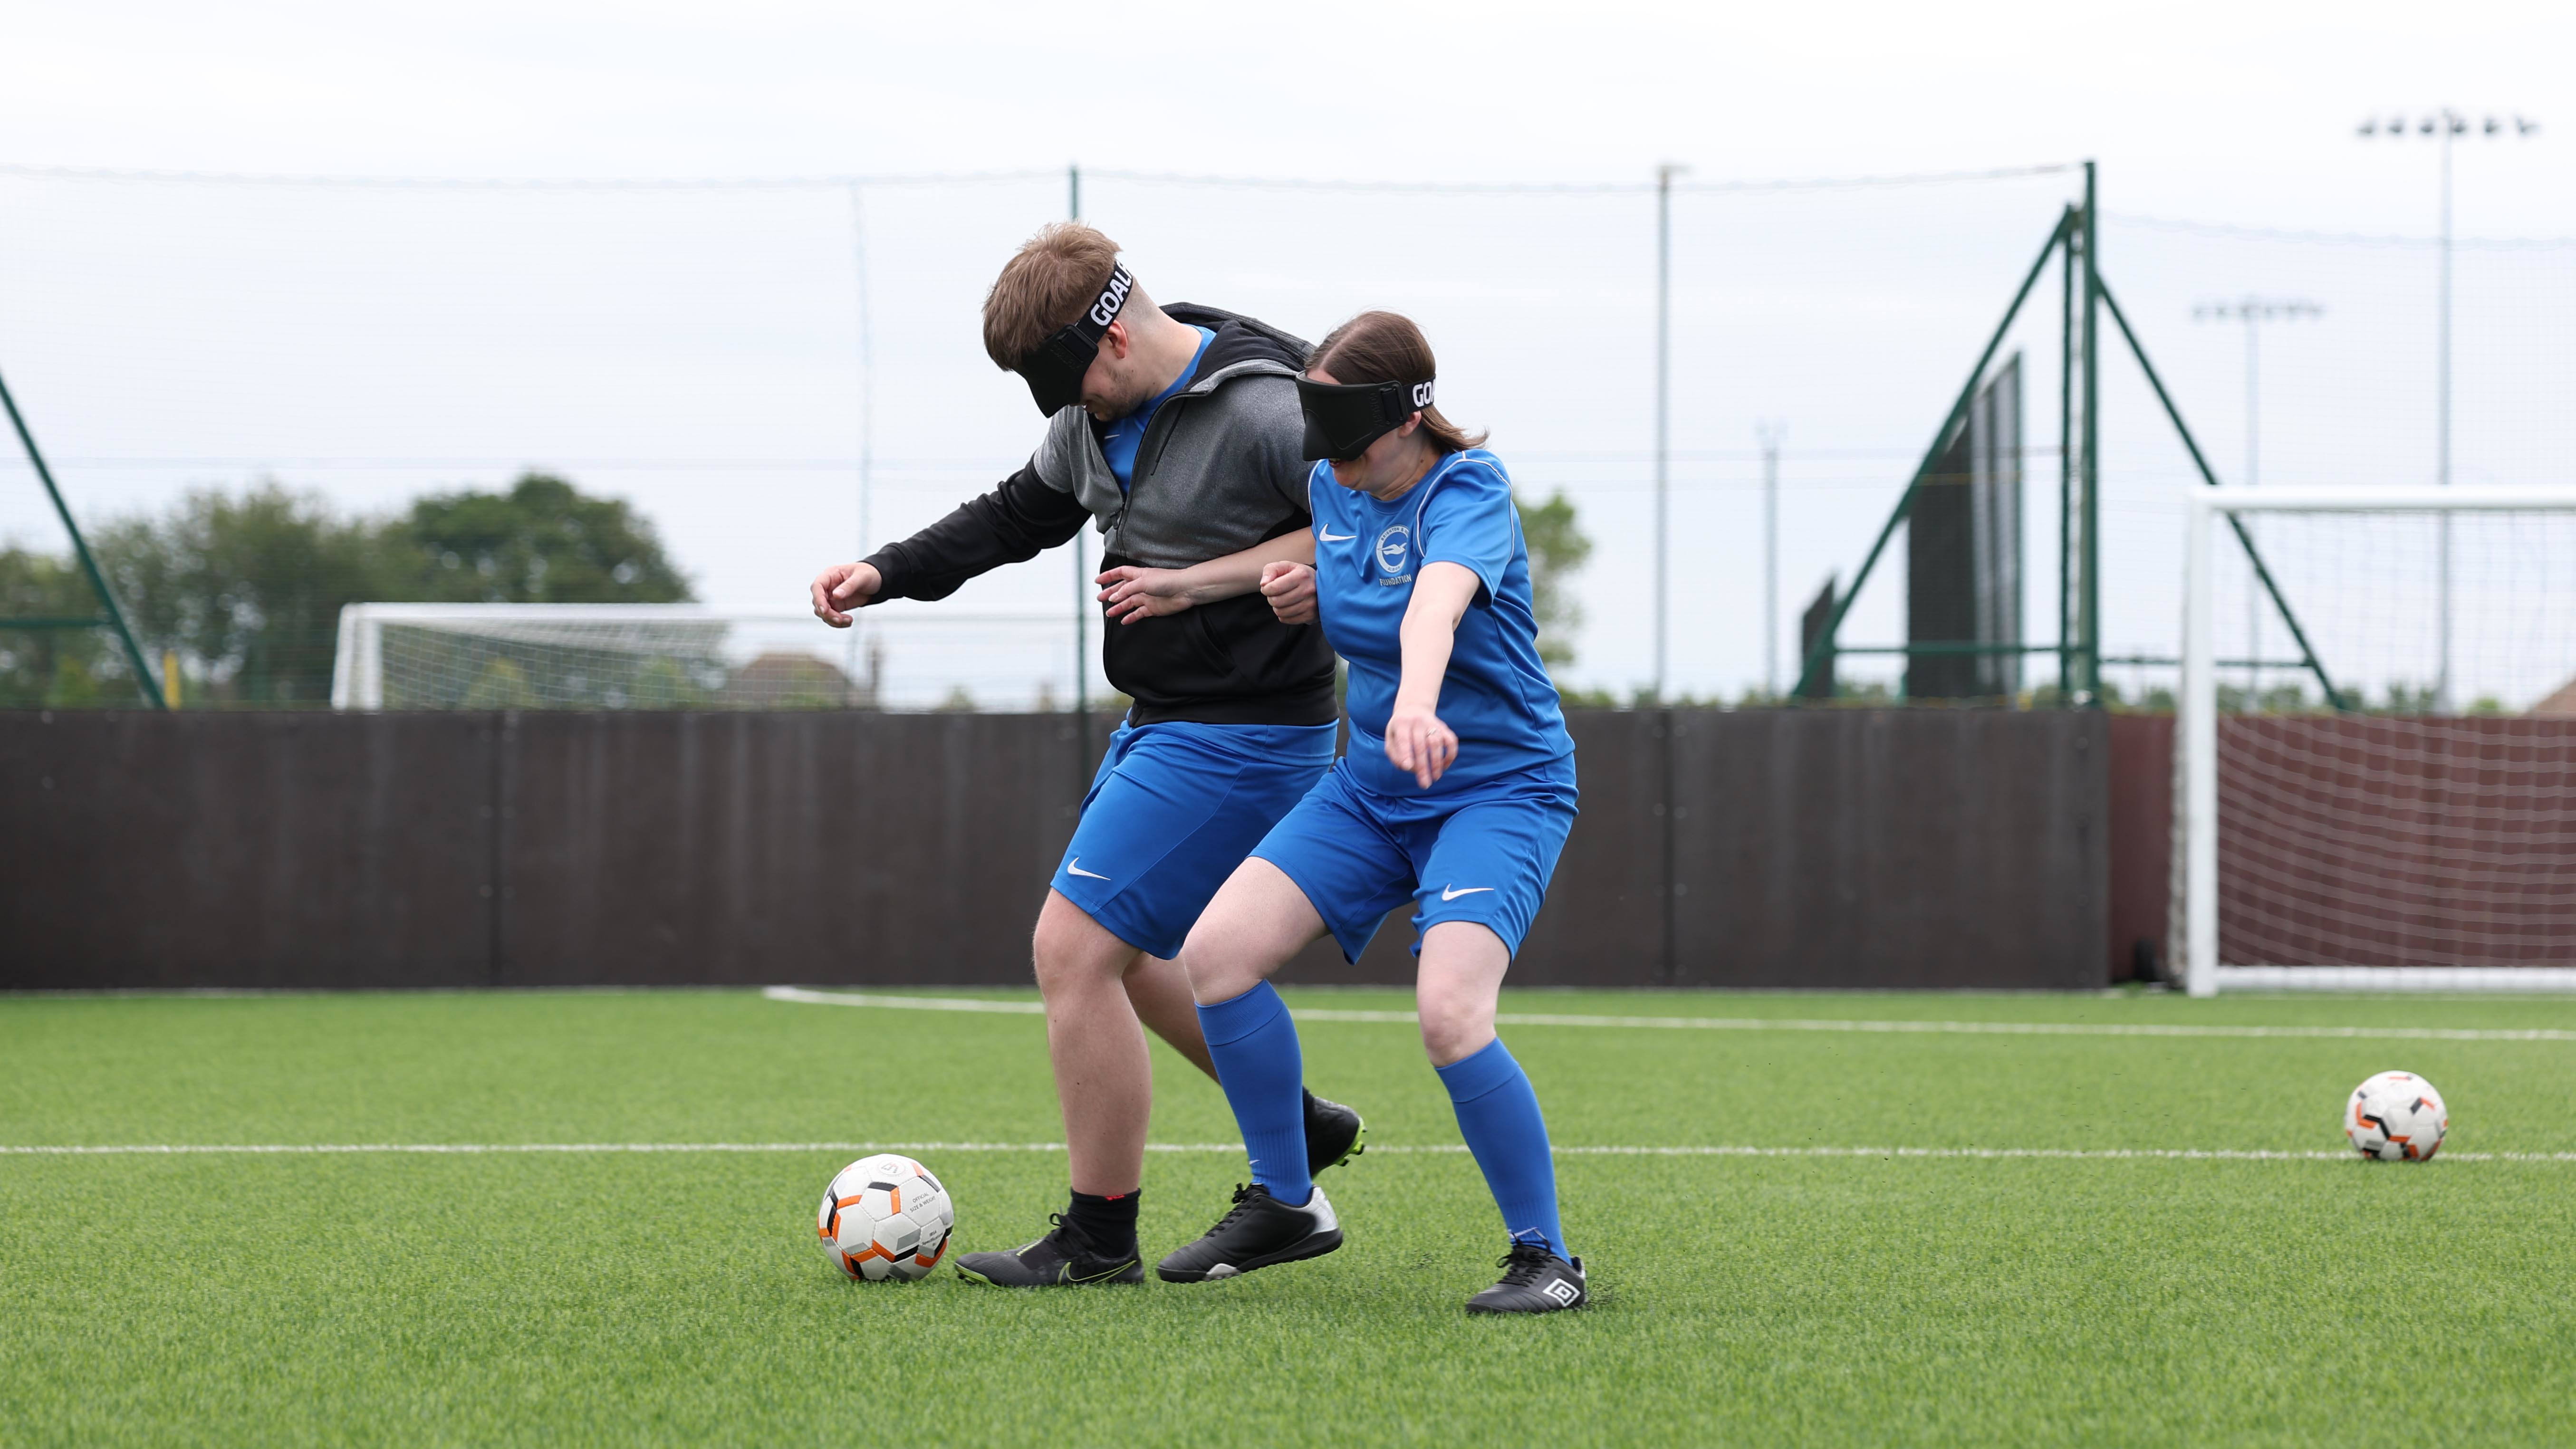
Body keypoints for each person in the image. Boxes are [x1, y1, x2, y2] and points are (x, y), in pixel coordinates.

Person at [807, 225, 1363, 1287]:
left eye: (1063, 386)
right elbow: (1015, 516)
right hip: (1167, 719)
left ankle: (1099, 1237)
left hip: (1247, 731)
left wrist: (1202, 582)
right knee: (1144, 960)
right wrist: (883, 572)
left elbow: (1366, 518)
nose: (1067, 416)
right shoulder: (1089, 418)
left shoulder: (1262, 408)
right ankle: (1290, 1125)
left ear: (1106, 344)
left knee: (1071, 950)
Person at [1154, 311, 1587, 1314]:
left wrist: (1425, 701)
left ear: (1410, 420)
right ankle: (1287, 1200)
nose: (1337, 465)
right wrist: (1298, 592)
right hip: (1373, 788)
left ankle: (1547, 1258)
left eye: (1352, 444)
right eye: (1328, 446)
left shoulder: (1468, 488)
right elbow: (1356, 573)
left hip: (1496, 787)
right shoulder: (1331, 486)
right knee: (1214, 957)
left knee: (1449, 1015)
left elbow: (1434, 603)